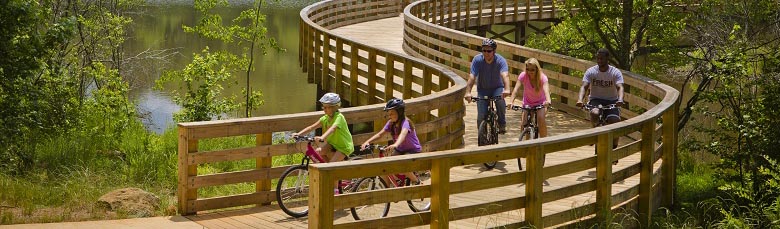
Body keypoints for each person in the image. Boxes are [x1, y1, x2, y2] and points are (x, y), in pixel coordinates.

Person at [292, 92, 354, 193]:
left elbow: (333, 128)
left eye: (327, 107)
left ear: (334, 107)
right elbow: (312, 127)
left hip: (343, 146)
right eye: (323, 107)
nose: (324, 109)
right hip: (332, 143)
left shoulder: (339, 117)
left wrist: (322, 137)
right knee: (318, 153)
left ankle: (335, 191)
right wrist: (299, 134)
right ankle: (329, 177)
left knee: (330, 166)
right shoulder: (324, 118)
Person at [576, 48, 625, 163]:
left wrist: (620, 99)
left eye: (602, 58)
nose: (599, 60)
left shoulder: (615, 72)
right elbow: (584, 86)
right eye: (597, 58)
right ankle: (594, 131)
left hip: (612, 101)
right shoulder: (591, 71)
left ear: (607, 59)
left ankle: (614, 145)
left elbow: (620, 87)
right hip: (596, 100)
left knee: (614, 120)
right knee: (595, 113)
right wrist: (579, 99)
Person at [360, 98, 422, 185]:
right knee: (386, 166)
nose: (390, 116)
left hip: (412, 151)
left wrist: (395, 144)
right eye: (388, 113)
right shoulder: (391, 123)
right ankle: (387, 188)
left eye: (392, 113)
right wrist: (368, 142)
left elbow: (402, 135)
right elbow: (380, 134)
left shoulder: (405, 122)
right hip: (400, 150)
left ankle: (416, 181)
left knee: (402, 166)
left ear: (399, 112)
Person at [464, 38, 512, 134]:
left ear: (494, 51)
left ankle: (502, 124)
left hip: (497, 88)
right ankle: (482, 136)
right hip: (483, 89)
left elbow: (505, 75)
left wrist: (507, 89)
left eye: (489, 51)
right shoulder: (477, 60)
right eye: (484, 50)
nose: (486, 53)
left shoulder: (500, 60)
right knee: (481, 115)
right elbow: (472, 76)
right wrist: (468, 92)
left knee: (500, 102)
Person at [507, 58, 552, 139]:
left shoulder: (542, 78)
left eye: (532, 70)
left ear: (537, 70)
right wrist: (511, 101)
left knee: (540, 118)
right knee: (524, 122)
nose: (530, 72)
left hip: (541, 103)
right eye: (527, 69)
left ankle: (544, 143)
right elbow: (516, 89)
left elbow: (546, 91)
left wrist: (548, 101)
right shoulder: (523, 75)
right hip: (528, 103)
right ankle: (526, 144)